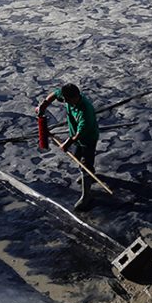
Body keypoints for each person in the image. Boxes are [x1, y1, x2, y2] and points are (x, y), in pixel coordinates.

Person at [36, 83, 100, 211]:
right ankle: (86, 175)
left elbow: (79, 133)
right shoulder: (67, 96)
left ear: (75, 97)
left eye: (67, 101)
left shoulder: (85, 111)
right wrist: (43, 105)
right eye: (64, 100)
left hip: (88, 138)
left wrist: (67, 143)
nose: (65, 103)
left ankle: (87, 195)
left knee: (85, 164)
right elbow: (55, 94)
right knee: (77, 157)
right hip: (75, 135)